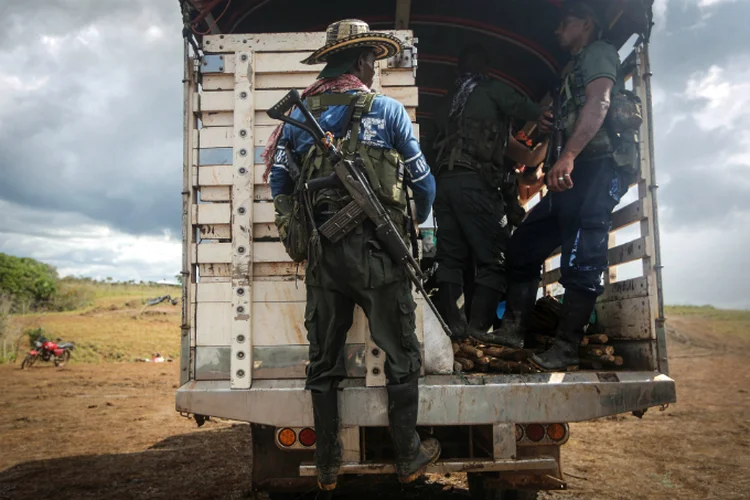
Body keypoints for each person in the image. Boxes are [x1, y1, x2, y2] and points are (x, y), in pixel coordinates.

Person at [262, 20, 440, 492]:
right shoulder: (387, 110)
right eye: (374, 61)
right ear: (361, 60)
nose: (376, 70)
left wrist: (299, 234)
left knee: (324, 362)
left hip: (324, 260)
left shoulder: (299, 121)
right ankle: (407, 454)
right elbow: (423, 184)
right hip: (381, 260)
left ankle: (326, 465)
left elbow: (279, 184)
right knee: (401, 355)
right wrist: (415, 229)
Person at [494, 0, 631, 371]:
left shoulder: (599, 53)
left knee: (582, 257)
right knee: (523, 245)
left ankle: (566, 347)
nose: (557, 31)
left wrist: (567, 155)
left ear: (586, 24)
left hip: (599, 166)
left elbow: (599, 101)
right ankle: (513, 331)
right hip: (572, 171)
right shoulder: (571, 68)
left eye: (564, 24)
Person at [432, 43, 548, 344]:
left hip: (444, 185)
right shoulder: (492, 89)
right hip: (475, 183)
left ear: (459, 70)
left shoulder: (447, 104)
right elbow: (535, 113)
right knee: (493, 261)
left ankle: (452, 330)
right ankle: (479, 334)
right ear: (485, 69)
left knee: (450, 259)